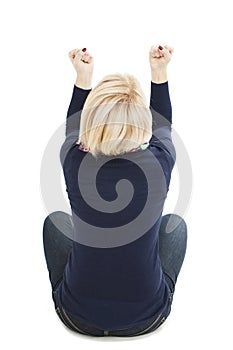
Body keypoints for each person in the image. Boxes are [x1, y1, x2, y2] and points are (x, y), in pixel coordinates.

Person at [42, 44, 188, 337]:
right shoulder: (160, 163)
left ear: (91, 121)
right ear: (139, 124)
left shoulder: (73, 160)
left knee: (54, 221)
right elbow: (163, 128)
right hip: (147, 319)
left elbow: (73, 129)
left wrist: (83, 77)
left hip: (75, 317)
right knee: (175, 225)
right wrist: (159, 72)